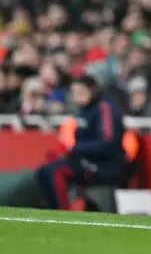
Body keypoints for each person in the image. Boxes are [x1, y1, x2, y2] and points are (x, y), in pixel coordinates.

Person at [36, 75, 126, 210]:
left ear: (92, 90)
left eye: (81, 92)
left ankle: (63, 214)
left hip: (104, 166)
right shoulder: (82, 111)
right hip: (83, 161)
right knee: (44, 170)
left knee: (57, 171)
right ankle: (51, 210)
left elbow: (107, 143)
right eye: (74, 92)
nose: (77, 96)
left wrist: (74, 149)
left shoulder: (105, 109)